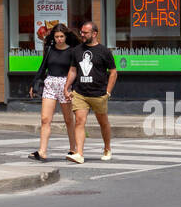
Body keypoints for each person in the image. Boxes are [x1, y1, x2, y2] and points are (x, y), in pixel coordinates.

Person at [63, 20, 117, 164]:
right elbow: (73, 70)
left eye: (85, 32)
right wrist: (67, 87)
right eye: (81, 32)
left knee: (103, 122)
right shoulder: (77, 50)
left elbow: (113, 72)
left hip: (99, 93)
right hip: (80, 92)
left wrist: (108, 92)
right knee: (80, 121)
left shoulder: (104, 51)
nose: (82, 35)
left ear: (94, 33)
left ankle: (107, 148)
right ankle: (79, 153)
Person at [28, 23, 78, 161]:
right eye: (57, 36)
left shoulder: (72, 51)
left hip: (65, 85)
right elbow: (42, 67)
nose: (59, 39)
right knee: (45, 119)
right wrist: (34, 83)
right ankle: (42, 151)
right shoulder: (50, 49)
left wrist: (72, 88)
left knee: (68, 120)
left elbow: (75, 71)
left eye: (62, 36)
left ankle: (74, 149)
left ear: (66, 36)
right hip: (50, 84)